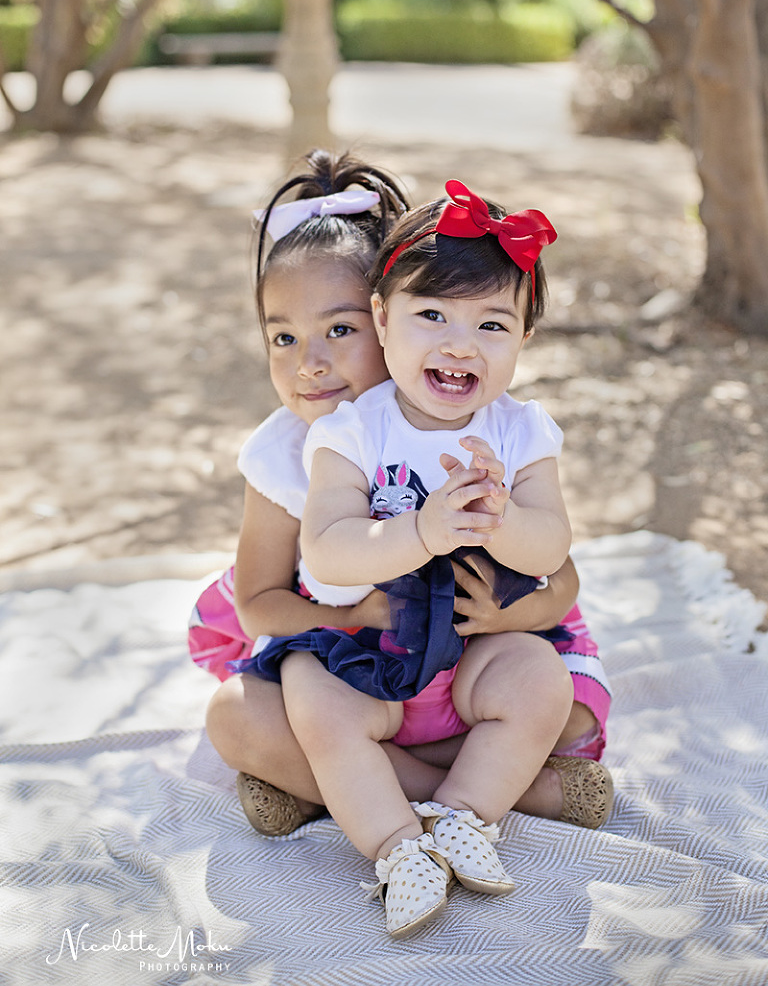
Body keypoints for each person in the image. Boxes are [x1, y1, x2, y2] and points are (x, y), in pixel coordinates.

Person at [201, 161, 611, 913]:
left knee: (553, 697)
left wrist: (505, 606)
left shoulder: (502, 426)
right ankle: (487, 796)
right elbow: (271, 598)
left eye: (338, 329)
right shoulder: (316, 446)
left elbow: (559, 573)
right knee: (245, 716)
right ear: (397, 318)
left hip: (471, 659)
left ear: (376, 316)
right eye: (283, 337)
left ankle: (337, 790)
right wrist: (355, 613)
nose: (311, 361)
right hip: (358, 663)